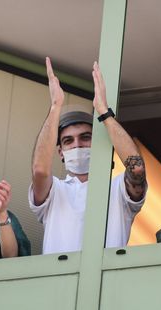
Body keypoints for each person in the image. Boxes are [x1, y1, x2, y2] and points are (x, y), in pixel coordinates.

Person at [29, 58, 148, 254]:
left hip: (107, 282)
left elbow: (136, 168)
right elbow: (40, 170)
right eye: (68, 141)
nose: (77, 144)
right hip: (59, 283)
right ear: (60, 152)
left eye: (85, 138)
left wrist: (103, 111)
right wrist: (55, 107)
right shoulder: (54, 190)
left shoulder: (118, 190)